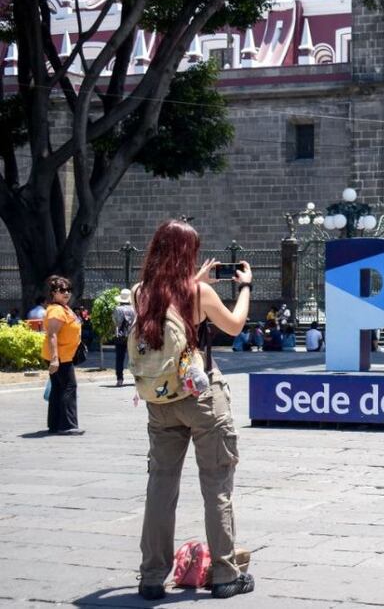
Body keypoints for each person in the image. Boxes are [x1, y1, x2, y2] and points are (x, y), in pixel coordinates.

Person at [133, 219, 254, 601]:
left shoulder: (141, 292)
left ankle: (152, 577)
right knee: (216, 485)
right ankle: (224, 575)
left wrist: (196, 281)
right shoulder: (198, 292)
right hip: (201, 399)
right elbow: (234, 327)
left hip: (160, 401)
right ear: (189, 254)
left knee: (160, 487)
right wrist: (245, 288)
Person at [41, 275, 82, 435]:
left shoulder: (63, 307)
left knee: (58, 388)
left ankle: (55, 424)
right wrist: (54, 359)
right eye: (62, 290)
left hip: (64, 355)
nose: (67, 293)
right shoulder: (57, 310)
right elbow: (52, 335)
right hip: (60, 356)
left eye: (69, 290)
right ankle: (67, 425)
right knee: (68, 387)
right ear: (53, 292)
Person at [113, 288, 136, 387]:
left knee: (119, 358)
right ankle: (137, 378)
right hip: (133, 336)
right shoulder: (134, 309)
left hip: (121, 337)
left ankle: (120, 379)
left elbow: (117, 323)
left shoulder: (118, 309)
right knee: (134, 358)